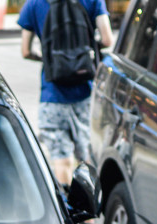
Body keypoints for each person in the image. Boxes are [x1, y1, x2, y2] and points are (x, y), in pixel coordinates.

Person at [18, 0, 114, 186]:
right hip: (84, 94)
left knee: (61, 159)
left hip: (52, 95)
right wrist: (83, 51)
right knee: (85, 158)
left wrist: (48, 58)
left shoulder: (33, 4)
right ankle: (88, 213)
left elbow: (25, 51)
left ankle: (70, 212)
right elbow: (107, 39)